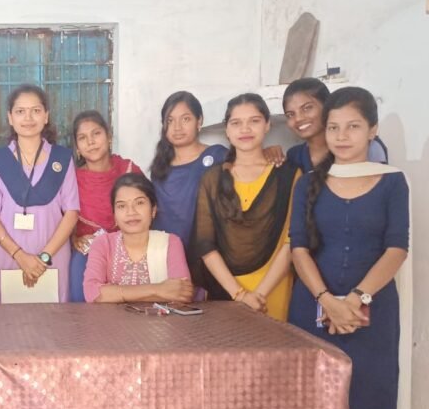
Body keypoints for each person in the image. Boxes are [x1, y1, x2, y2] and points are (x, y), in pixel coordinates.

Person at [289, 87, 409, 409]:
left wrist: (356, 299)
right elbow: (299, 247)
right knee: (320, 399)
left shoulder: (392, 182)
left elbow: (397, 247)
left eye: (353, 126)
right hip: (313, 306)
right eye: (334, 127)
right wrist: (326, 298)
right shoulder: (309, 182)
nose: (342, 136)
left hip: (370, 311)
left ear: (372, 130)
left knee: (363, 397)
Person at [192, 93, 300, 321]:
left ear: (267, 125)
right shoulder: (212, 179)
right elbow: (205, 244)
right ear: (227, 130)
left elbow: (292, 241)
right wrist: (239, 295)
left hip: (273, 288)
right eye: (236, 123)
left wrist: (259, 295)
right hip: (225, 290)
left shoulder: (289, 175)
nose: (245, 129)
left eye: (254, 121)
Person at [0, 85, 80, 303]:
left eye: (35, 111)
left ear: (46, 116)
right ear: (10, 117)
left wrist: (43, 257)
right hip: (8, 256)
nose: (28, 118)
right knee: (8, 320)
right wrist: (20, 256)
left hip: (52, 258)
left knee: (53, 319)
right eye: (20, 111)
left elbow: (72, 212)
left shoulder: (62, 159)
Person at [83, 173, 193, 304]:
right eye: (121, 206)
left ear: (153, 210)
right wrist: (157, 289)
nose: (131, 212)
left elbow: (182, 294)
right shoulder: (103, 243)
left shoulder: (170, 243)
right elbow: (92, 293)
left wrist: (113, 293)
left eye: (139, 203)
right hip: (112, 318)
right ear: (114, 214)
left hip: (159, 318)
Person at [69, 110, 143, 302]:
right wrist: (74, 238)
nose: (91, 142)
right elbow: (61, 217)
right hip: (88, 252)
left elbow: (148, 209)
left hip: (131, 248)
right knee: (82, 305)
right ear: (77, 147)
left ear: (109, 137)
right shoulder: (72, 179)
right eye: (82, 138)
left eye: (96, 133)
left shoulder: (128, 170)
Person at [149, 91, 229, 250]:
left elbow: (248, 169)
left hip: (206, 252)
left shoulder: (218, 156)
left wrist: (268, 153)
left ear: (199, 121)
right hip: (164, 252)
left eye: (185, 119)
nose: (177, 127)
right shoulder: (159, 166)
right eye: (170, 120)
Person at [283, 77, 388, 173]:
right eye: (290, 114)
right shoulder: (294, 155)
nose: (298, 118)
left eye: (307, 108)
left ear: (327, 106)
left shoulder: (368, 145)